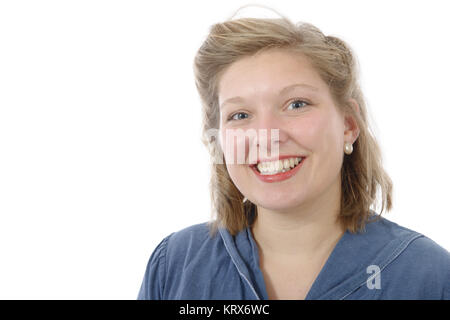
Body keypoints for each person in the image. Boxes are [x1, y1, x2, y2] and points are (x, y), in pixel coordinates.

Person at [137, 12, 450, 300]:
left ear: (348, 124)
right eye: (240, 115)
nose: (267, 136)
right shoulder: (175, 264)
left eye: (296, 104)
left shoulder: (429, 276)